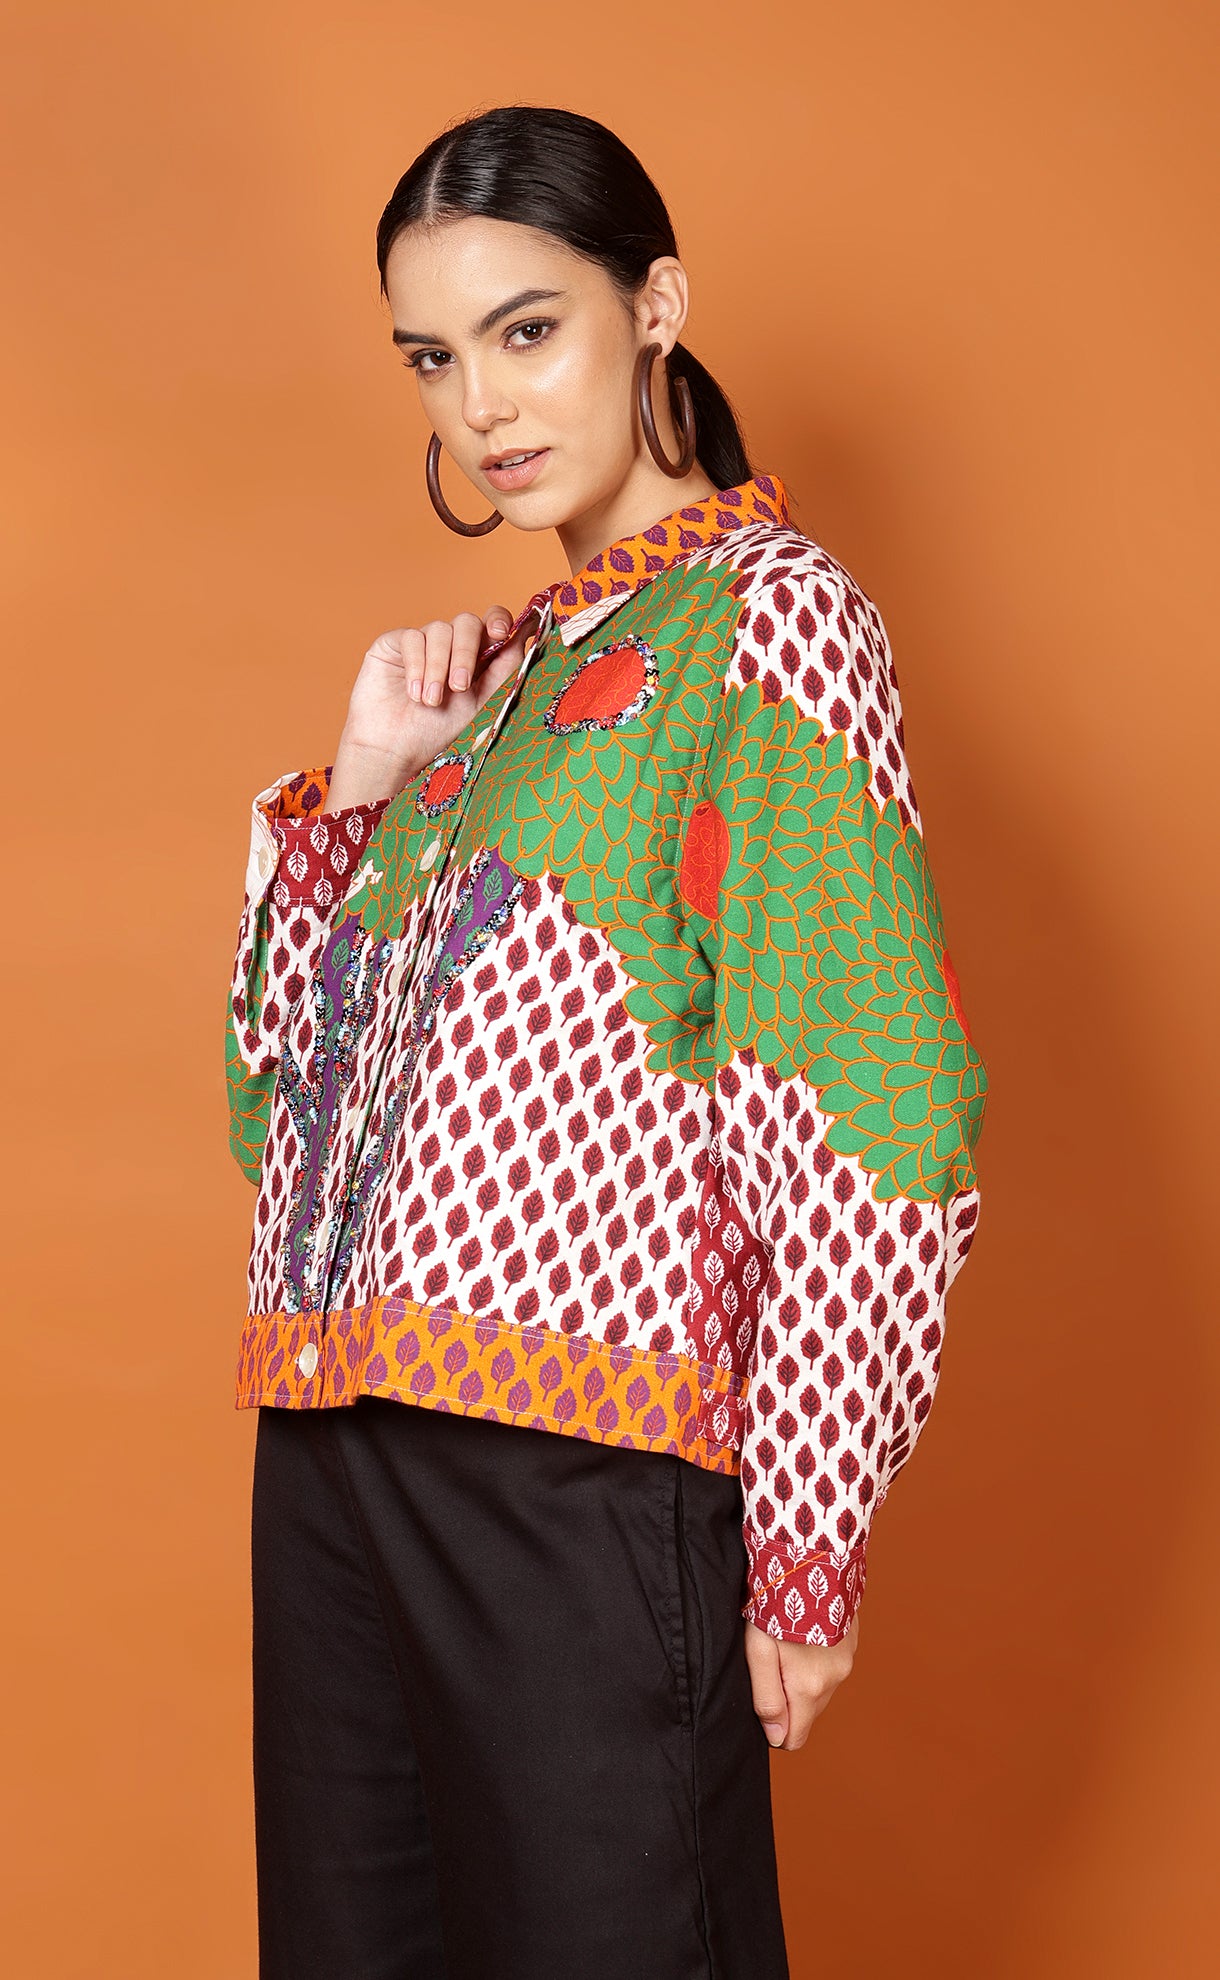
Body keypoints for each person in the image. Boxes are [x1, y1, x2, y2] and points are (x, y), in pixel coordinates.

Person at [225, 103, 988, 1980]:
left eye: (526, 328)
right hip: (334, 1462)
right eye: (433, 356)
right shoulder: (492, 690)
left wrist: (807, 1533)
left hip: (576, 1471)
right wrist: (363, 786)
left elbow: (873, 1105)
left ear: (655, 305)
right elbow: (278, 1114)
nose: (482, 404)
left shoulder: (774, 629)